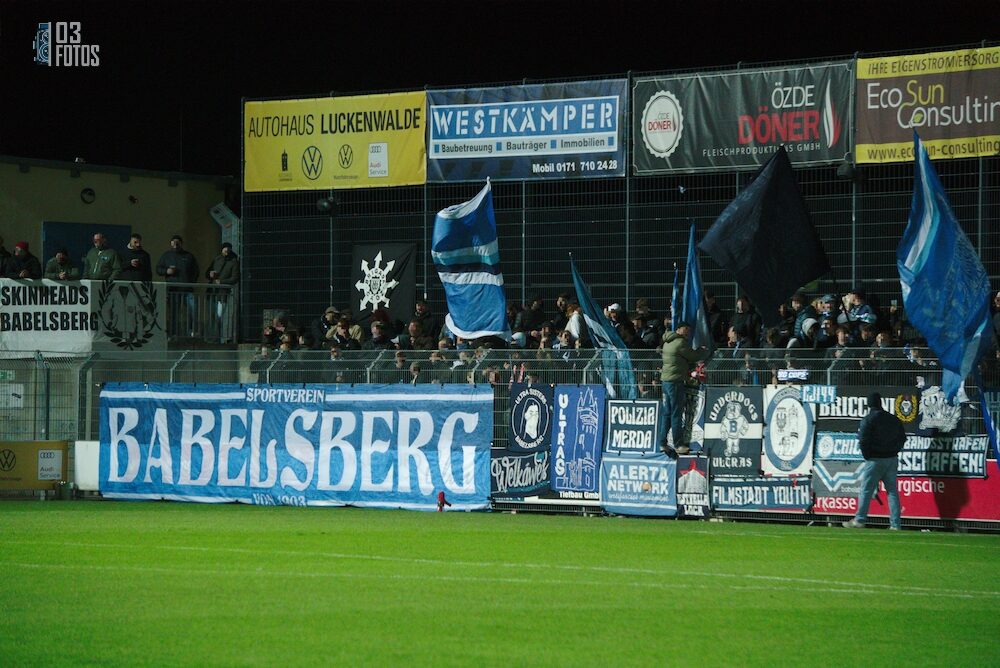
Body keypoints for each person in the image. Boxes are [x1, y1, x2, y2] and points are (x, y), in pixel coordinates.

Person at [843, 392, 905, 531]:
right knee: (892, 492)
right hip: (891, 459)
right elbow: (902, 437)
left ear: (869, 404)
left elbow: (863, 440)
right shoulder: (893, 419)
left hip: (875, 460)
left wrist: (868, 455)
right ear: (880, 403)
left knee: (866, 490)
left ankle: (860, 520)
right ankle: (895, 524)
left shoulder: (869, 419)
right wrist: (894, 451)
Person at [660, 321, 709, 455]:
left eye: (689, 329)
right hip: (675, 382)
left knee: (667, 413)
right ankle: (678, 444)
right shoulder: (680, 343)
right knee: (676, 413)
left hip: (665, 381)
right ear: (678, 329)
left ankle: (662, 443)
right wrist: (702, 350)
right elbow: (693, 356)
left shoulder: (667, 341)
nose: (688, 332)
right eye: (685, 329)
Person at [156, 235, 200, 337]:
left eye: (177, 242)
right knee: (174, 313)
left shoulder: (189, 256)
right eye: (173, 242)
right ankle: (174, 334)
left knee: (192, 312)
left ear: (181, 243)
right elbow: (158, 269)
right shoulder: (166, 256)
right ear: (170, 243)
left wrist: (191, 282)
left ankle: (191, 332)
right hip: (173, 290)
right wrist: (166, 271)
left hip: (187, 290)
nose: (175, 244)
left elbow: (196, 270)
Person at [205, 242, 241, 343]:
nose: (226, 250)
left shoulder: (233, 262)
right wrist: (210, 274)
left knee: (219, 316)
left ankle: (219, 338)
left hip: (223, 293)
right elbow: (207, 272)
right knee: (213, 315)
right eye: (225, 248)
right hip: (212, 292)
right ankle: (213, 337)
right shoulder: (217, 259)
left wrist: (222, 282)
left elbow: (235, 278)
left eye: (228, 248)